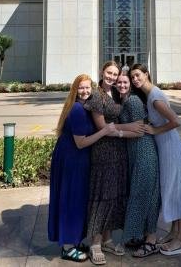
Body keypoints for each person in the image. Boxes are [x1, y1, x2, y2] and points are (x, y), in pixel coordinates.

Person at [48, 74, 117, 263]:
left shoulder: (85, 106)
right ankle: (67, 247)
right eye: (81, 88)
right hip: (72, 159)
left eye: (88, 88)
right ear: (75, 90)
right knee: (70, 200)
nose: (85, 91)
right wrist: (105, 130)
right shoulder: (78, 110)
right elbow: (81, 143)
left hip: (76, 159)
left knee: (76, 199)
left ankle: (73, 241)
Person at [85, 61, 144, 265]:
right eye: (109, 73)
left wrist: (126, 130)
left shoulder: (116, 94)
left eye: (115, 74)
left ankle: (108, 239)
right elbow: (102, 126)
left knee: (114, 195)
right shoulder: (96, 95)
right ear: (102, 72)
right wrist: (131, 126)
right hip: (103, 151)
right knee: (102, 195)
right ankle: (95, 243)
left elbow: (116, 123)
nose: (111, 77)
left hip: (119, 151)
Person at [130, 64, 181, 256]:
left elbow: (176, 121)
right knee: (170, 189)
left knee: (176, 190)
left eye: (138, 75)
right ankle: (173, 233)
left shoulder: (154, 98)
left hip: (170, 146)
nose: (135, 80)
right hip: (165, 146)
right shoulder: (151, 95)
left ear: (146, 74)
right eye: (132, 77)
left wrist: (155, 130)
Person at [116, 72, 161, 258]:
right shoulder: (124, 101)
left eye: (125, 82)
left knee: (144, 194)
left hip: (144, 151)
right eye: (119, 82)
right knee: (141, 193)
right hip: (135, 153)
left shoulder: (133, 101)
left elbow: (140, 129)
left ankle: (151, 240)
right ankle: (140, 235)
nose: (122, 85)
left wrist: (114, 131)